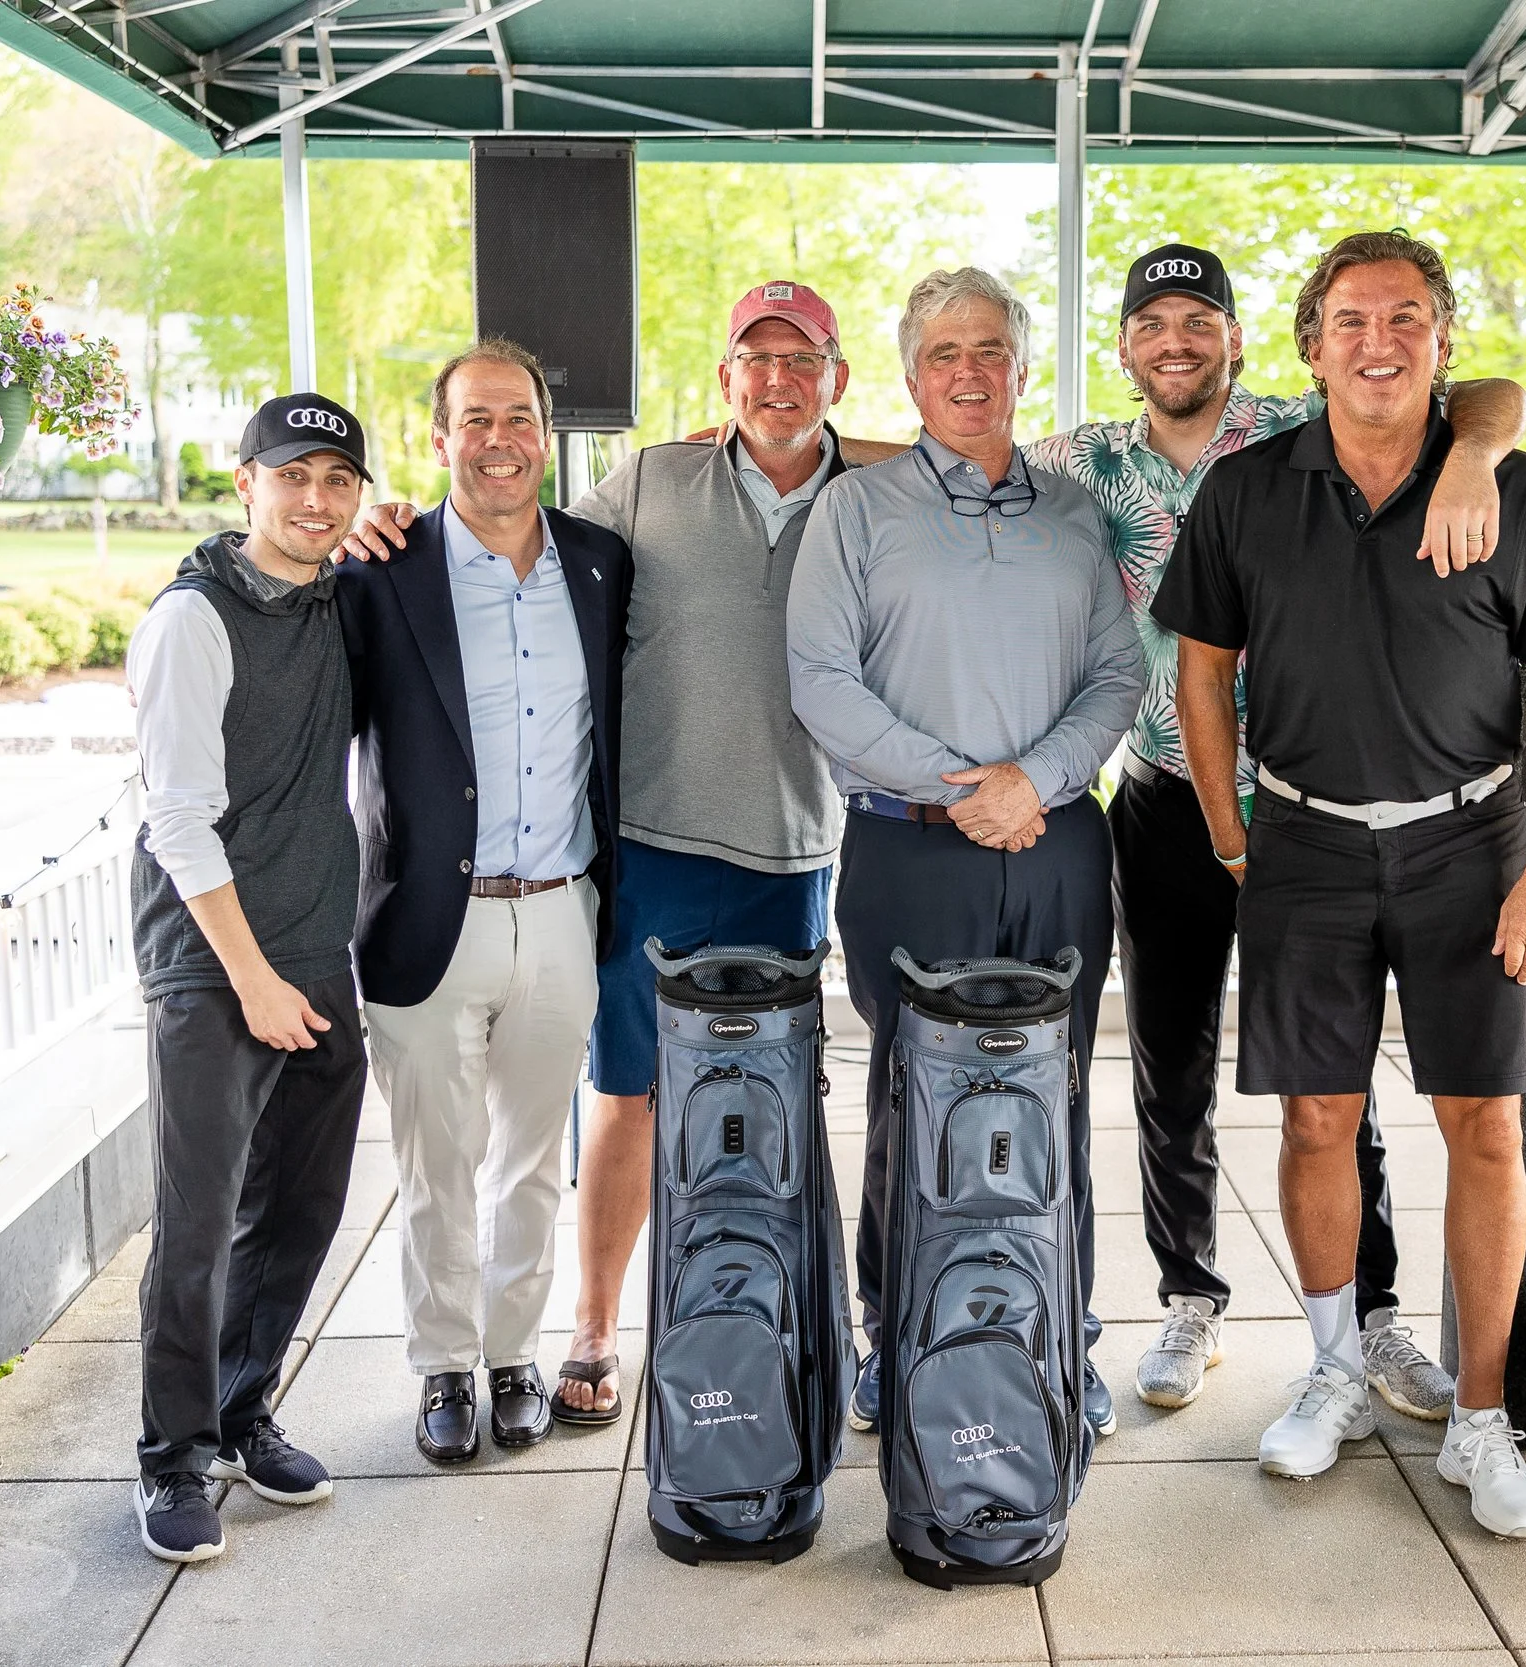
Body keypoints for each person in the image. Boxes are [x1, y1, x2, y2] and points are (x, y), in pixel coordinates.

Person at [336, 281, 866, 1424]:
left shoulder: (875, 495)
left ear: (837, 377)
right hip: (646, 852)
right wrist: (371, 517)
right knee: (620, 1099)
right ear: (721, 378)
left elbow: (947, 443)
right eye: (752, 359)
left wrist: (837, 439)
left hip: (792, 853)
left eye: (801, 360)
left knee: (769, 1105)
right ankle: (584, 1329)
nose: (775, 379)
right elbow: (487, 528)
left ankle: (781, 1321)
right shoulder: (649, 488)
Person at [1154, 230, 1526, 1539]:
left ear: (1441, 341)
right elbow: (1200, 670)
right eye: (1350, 318)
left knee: (1487, 1124)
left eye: (1405, 316)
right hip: (1303, 842)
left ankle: (1479, 1417)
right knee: (1313, 1120)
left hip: (1475, 846)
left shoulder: (1518, 490)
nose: (1378, 339)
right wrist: (1233, 830)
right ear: (1308, 347)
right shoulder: (1245, 492)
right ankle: (1337, 1366)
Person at [1025, 243, 1526, 1418]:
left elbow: (1486, 393)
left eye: (1198, 319)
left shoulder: (1311, 413)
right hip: (1165, 797)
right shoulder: (1085, 461)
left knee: (1331, 1083)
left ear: (1241, 338)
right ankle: (1191, 1297)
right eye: (1153, 323)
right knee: (1170, 1063)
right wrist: (793, 446)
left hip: (1321, 806)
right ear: (1125, 349)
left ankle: (1373, 1315)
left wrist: (1479, 454)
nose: (1176, 340)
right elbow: (957, 447)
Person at [788, 266, 1145, 1440]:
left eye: (989, 349)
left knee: (1055, 1098)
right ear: (908, 374)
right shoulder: (856, 510)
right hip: (909, 852)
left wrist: (1028, 784)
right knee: (910, 1097)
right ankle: (895, 1337)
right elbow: (821, 685)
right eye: (944, 353)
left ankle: (1060, 1332)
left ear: (1020, 366)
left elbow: (1117, 675)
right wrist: (964, 788)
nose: (968, 373)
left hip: (1054, 848)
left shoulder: (1073, 514)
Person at [331, 339, 632, 1464]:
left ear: (545, 433)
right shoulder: (380, 566)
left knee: (528, 1163)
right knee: (435, 1166)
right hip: (424, 916)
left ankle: (515, 1353)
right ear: (441, 437)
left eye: (519, 417)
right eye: (476, 421)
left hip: (560, 908)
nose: (498, 440)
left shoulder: (601, 564)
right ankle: (442, 1365)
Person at [126, 393, 374, 1564]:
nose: (315, 500)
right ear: (246, 484)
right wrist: (254, 981)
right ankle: (172, 1458)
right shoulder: (191, 618)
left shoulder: (336, 596)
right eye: (293, 477)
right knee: (196, 1221)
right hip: (217, 967)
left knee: (299, 1210)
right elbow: (176, 818)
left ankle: (241, 1407)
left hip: (318, 954)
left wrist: (302, 973)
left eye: (337, 480)